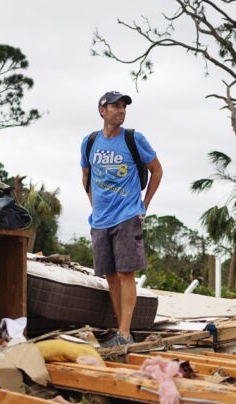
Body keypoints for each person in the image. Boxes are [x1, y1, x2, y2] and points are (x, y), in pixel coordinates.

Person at [80, 91, 163, 347]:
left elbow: (157, 170)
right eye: (115, 106)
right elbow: (86, 176)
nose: (121, 110)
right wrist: (95, 206)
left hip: (127, 216)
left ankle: (125, 333)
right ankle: (120, 331)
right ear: (102, 111)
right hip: (100, 220)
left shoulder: (133, 139)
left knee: (126, 274)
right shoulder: (90, 142)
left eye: (123, 106)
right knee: (110, 276)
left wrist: (144, 205)